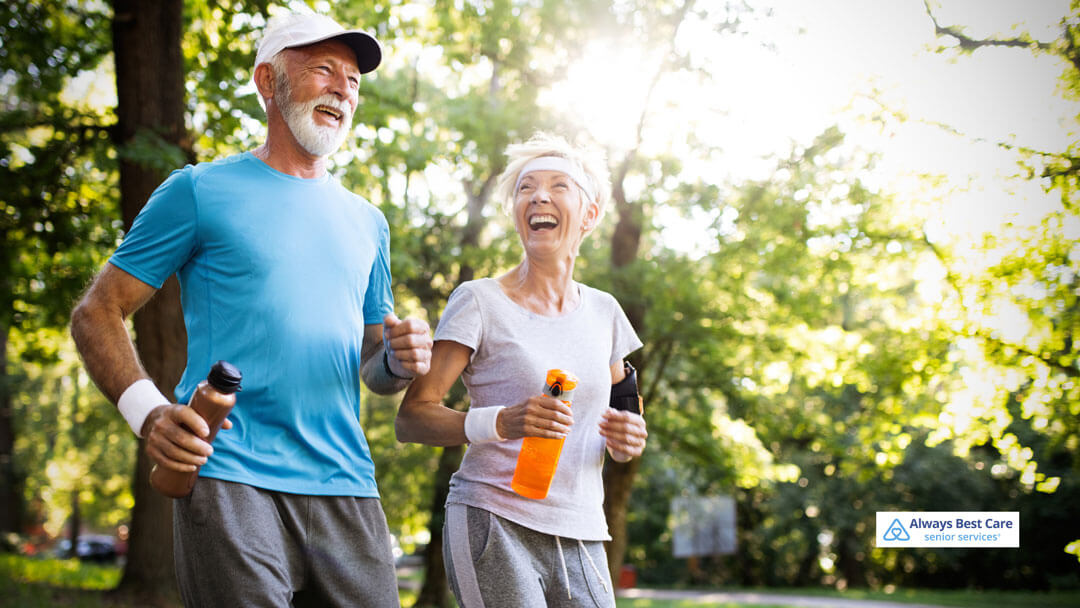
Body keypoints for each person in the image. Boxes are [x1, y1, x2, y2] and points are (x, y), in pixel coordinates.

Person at [70, 12, 431, 607]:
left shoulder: (369, 222)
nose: (343, 88)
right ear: (268, 82)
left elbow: (372, 366)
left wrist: (396, 359)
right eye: (323, 70)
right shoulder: (198, 190)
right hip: (231, 474)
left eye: (353, 80)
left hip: (346, 483)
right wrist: (150, 413)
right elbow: (97, 311)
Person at [395, 132, 648, 607]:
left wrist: (629, 438)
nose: (539, 196)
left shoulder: (605, 312)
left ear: (589, 215)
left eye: (558, 186)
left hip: (582, 530)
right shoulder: (479, 301)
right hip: (494, 518)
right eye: (526, 188)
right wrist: (502, 421)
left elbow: (625, 400)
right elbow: (412, 417)